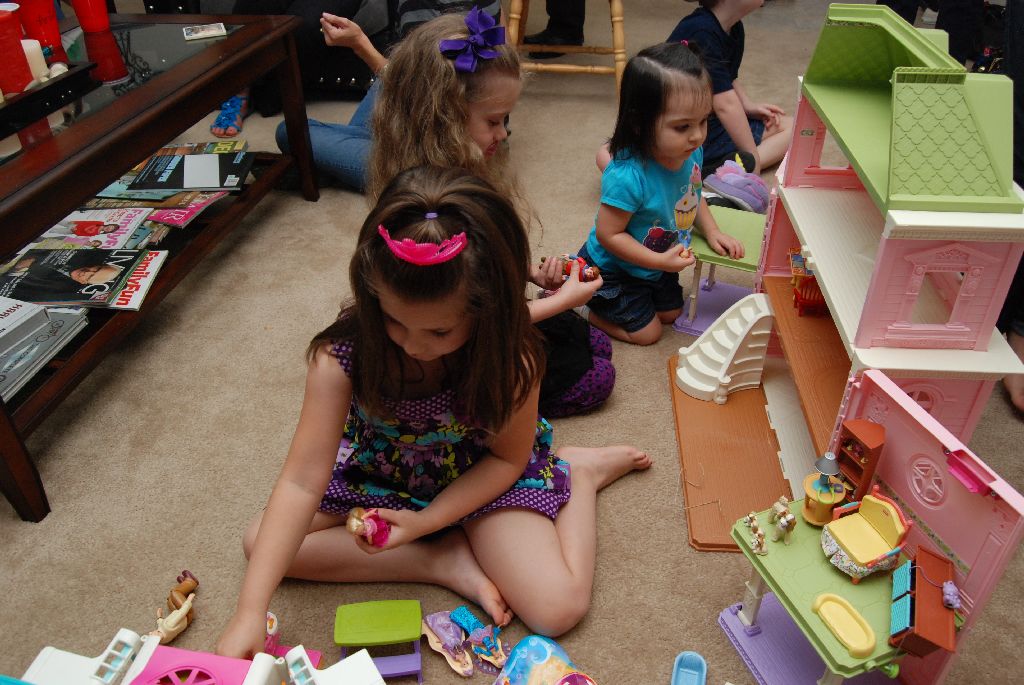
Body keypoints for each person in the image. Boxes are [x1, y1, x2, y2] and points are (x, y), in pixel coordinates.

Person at [214, 167, 651, 658]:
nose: (413, 345)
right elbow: (300, 483)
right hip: (382, 470)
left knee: (557, 609)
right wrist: (249, 612)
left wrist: (427, 519)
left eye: (440, 332)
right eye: (393, 320)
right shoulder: (341, 357)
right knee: (261, 543)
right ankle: (438, 560)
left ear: (488, 311)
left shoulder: (513, 359)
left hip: (480, 473)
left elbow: (506, 460)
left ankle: (580, 472)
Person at [365, 9, 616, 417]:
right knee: (595, 378)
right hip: (459, 342)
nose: (503, 133)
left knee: (591, 341)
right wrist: (564, 300)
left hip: (487, 315)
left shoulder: (458, 173)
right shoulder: (435, 214)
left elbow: (481, 270)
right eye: (495, 120)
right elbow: (475, 321)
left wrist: (529, 273)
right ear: (445, 119)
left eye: (506, 119)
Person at [575, 42, 745, 346]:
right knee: (649, 334)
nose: (697, 135)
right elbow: (608, 235)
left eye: (704, 121)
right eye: (682, 127)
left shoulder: (691, 152)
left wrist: (712, 230)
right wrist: (659, 262)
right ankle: (583, 308)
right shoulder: (627, 176)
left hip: (656, 262)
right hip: (614, 270)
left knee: (671, 313)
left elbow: (693, 195)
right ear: (639, 124)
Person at [275, 2, 501, 189]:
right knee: (388, 80)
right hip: (412, 114)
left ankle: (334, 167)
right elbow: (408, 75)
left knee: (288, 132)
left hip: (434, 148)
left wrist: (360, 44)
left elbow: (427, 97)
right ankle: (335, 162)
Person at [665, 0, 793, 179]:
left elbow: (727, 76)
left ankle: (727, 167)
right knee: (790, 132)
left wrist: (747, 105)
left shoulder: (734, 28)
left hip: (707, 121)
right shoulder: (702, 32)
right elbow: (725, 105)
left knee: (793, 128)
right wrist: (753, 158)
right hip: (686, 130)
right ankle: (732, 168)